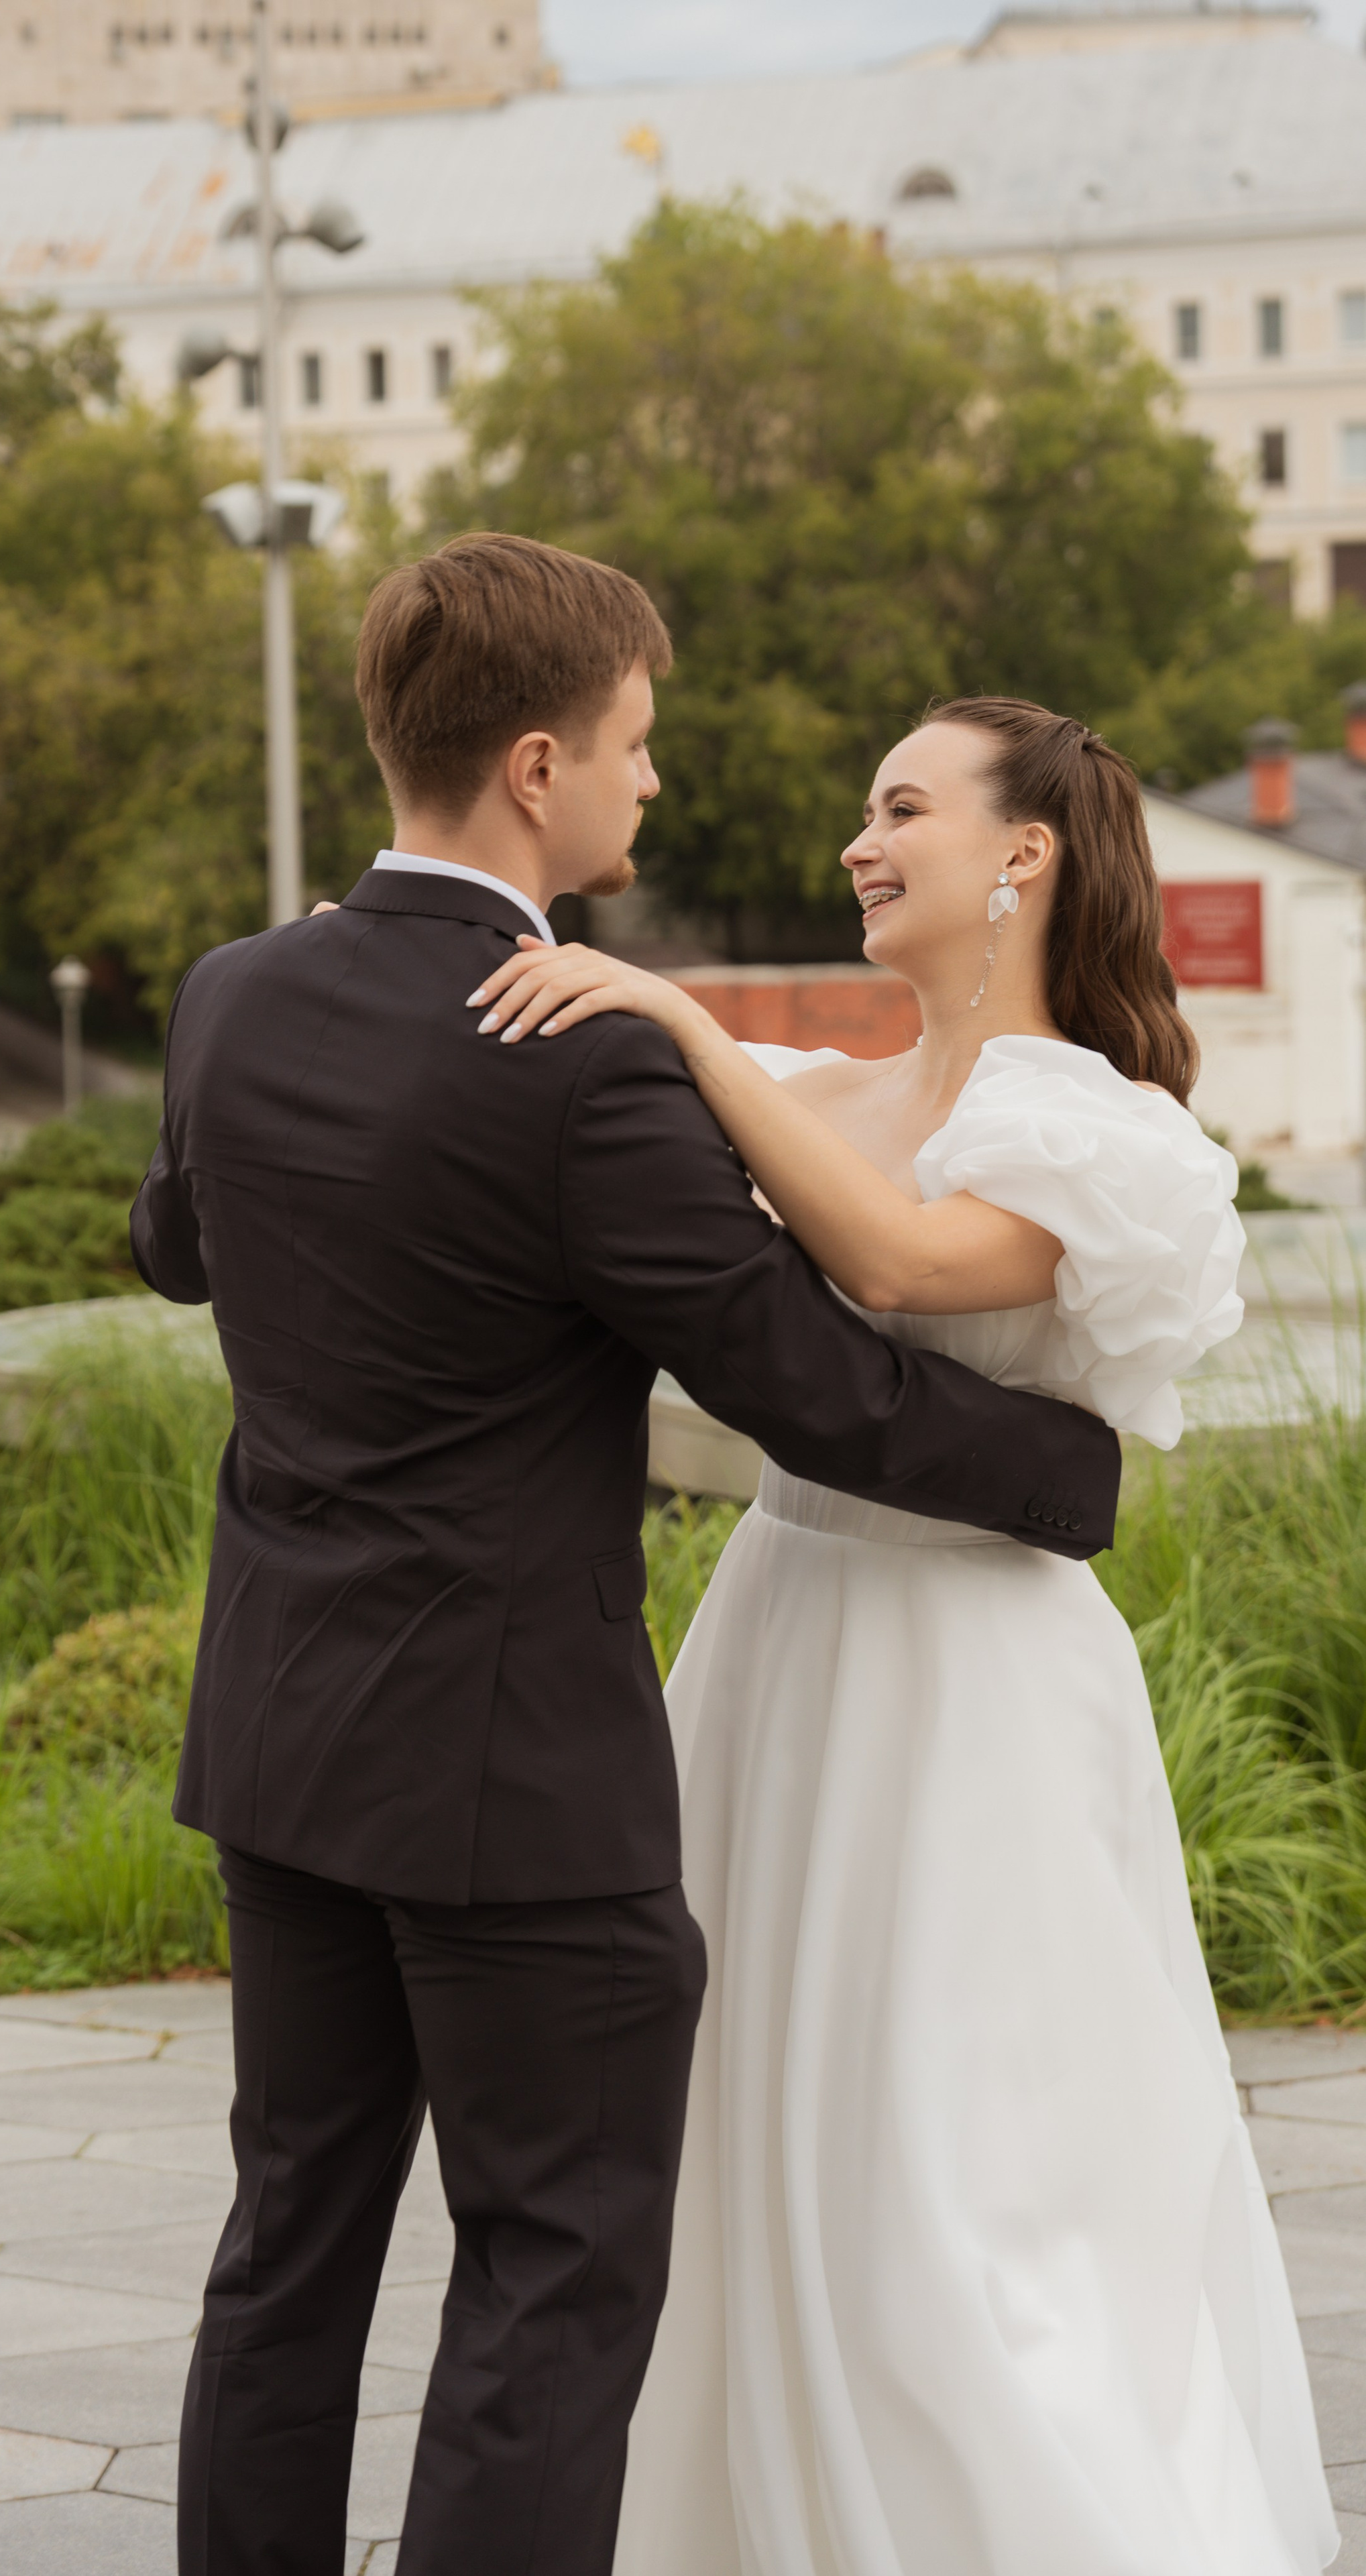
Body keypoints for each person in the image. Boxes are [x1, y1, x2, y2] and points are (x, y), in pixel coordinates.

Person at [130, 539, 1122, 2576]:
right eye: (634, 745)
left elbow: (179, 1246)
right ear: (530, 767)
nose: (650, 784)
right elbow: (813, 1389)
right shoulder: (575, 1055)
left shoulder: (240, 991)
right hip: (509, 1783)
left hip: (285, 1743)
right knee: (552, 2273)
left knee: (286, 2250)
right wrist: (1075, 1472)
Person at [465, 694, 1338, 2576]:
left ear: (1022, 856)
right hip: (782, 1642)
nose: (861, 841)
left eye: (903, 808)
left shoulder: (1092, 1127)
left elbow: (902, 1265)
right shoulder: (817, 1081)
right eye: (868, 808)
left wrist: (681, 1019)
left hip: (976, 1687)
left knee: (963, 2167)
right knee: (742, 2145)